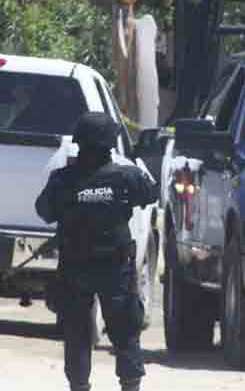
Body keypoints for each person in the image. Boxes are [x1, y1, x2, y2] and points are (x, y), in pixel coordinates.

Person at [36, 111, 158, 391]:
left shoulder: (62, 180)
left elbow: (44, 211)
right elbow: (150, 194)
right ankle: (130, 386)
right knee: (125, 331)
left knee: (77, 334)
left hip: (74, 268)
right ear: (110, 143)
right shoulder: (127, 176)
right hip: (114, 268)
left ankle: (79, 386)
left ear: (79, 142)